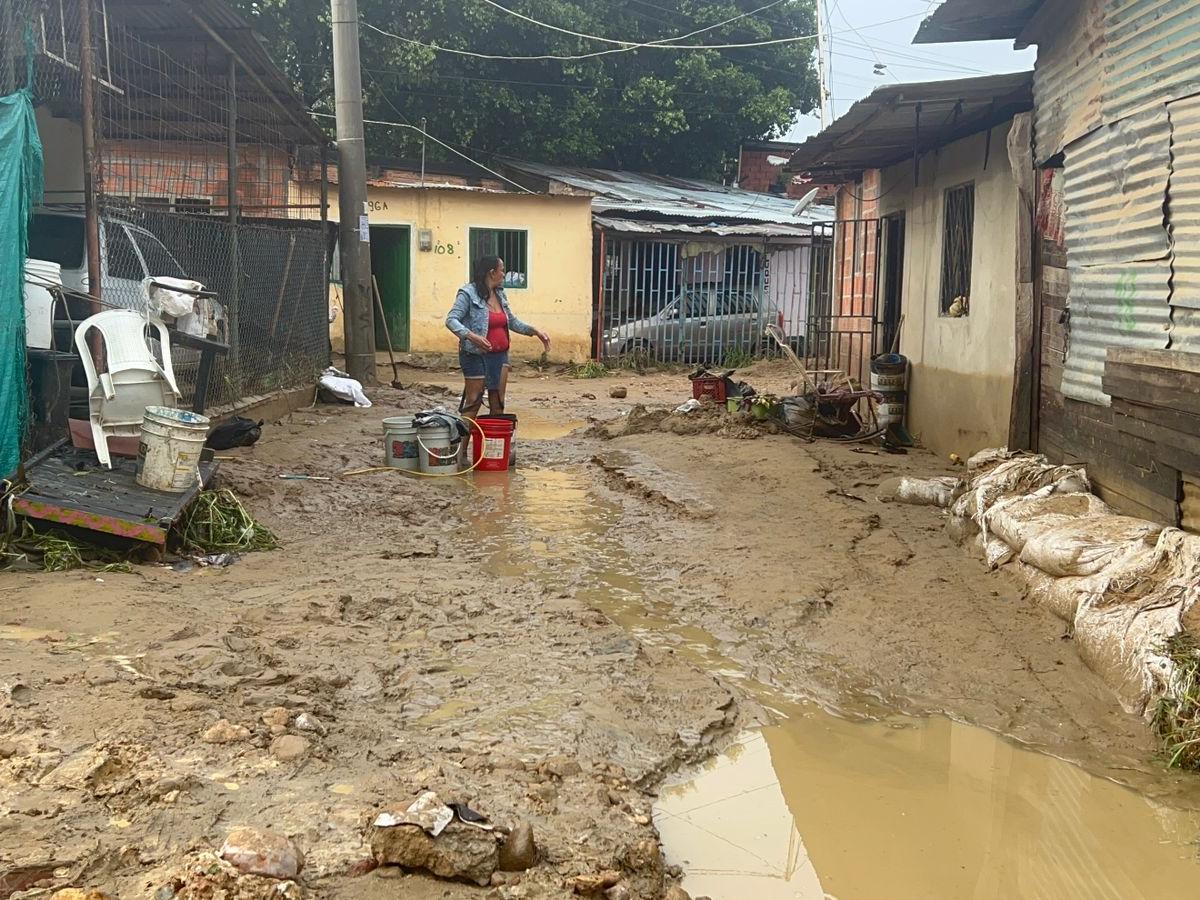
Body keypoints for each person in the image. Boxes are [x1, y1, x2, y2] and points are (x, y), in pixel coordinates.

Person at [446, 255, 550, 417]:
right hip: (475, 356)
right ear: (492, 272)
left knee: (498, 403)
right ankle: (463, 442)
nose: (504, 274)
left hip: (500, 357)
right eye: (502, 270)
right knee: (473, 402)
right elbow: (451, 320)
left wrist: (535, 331)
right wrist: (472, 336)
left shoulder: (500, 294)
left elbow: (512, 321)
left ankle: (493, 442)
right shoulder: (467, 293)